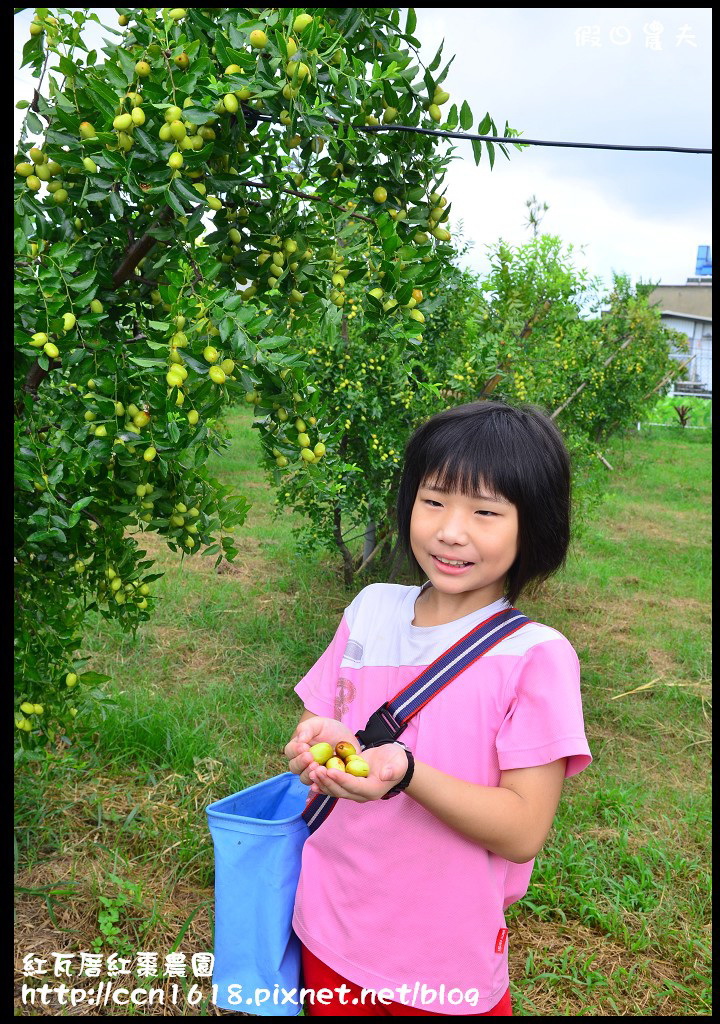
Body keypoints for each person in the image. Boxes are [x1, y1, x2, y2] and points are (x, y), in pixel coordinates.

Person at [284, 400, 592, 1017]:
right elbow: (340, 722)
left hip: (440, 955)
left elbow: (523, 829)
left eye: (485, 512)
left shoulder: (535, 657)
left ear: (534, 526)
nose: (452, 531)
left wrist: (410, 772)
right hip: (330, 921)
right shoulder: (370, 609)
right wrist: (321, 736)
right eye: (434, 501)